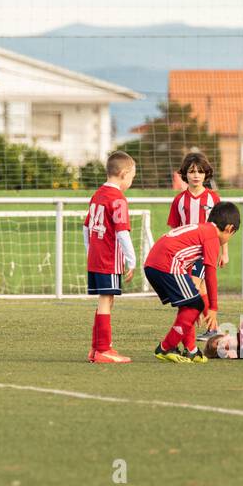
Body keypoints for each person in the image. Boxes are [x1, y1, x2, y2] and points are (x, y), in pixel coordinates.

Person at [143, 200, 240, 363]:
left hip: (154, 264)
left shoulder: (201, 229)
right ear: (230, 228)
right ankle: (166, 347)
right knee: (194, 305)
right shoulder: (212, 237)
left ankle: (192, 350)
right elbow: (210, 274)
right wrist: (213, 307)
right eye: (231, 235)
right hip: (166, 264)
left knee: (189, 305)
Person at [82, 150, 137, 363]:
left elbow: (86, 227)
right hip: (108, 259)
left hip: (96, 257)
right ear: (123, 173)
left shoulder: (98, 194)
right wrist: (131, 260)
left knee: (106, 299)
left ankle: (97, 348)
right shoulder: (118, 199)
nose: (131, 181)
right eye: (131, 177)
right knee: (106, 300)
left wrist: (90, 251)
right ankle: (103, 350)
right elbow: (122, 232)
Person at [169, 151, 228, 267]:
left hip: (208, 250)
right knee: (193, 284)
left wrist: (225, 253)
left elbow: (222, 227)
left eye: (200, 172)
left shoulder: (214, 198)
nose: (196, 175)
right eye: (192, 172)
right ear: (185, 174)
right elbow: (174, 229)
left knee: (201, 284)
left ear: (206, 174)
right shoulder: (179, 199)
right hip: (185, 251)